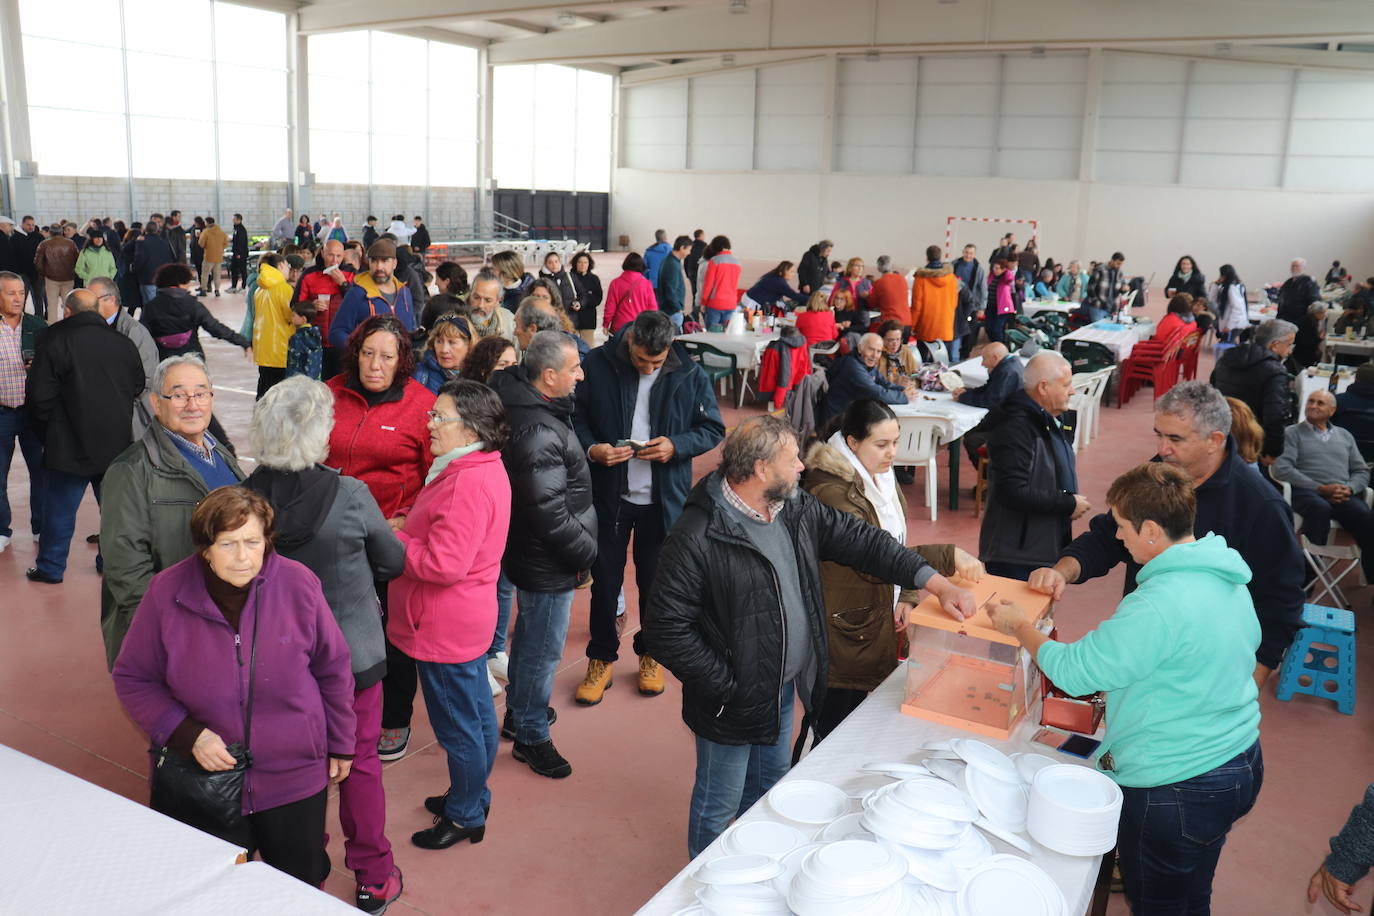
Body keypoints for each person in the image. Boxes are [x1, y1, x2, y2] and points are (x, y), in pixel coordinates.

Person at [642, 415, 977, 857]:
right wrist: (730, 685)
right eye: (792, 459)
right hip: (730, 703)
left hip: (781, 692)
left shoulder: (793, 507)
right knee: (717, 806)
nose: (802, 466)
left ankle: (755, 863)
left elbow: (862, 541)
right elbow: (665, 630)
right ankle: (710, 883)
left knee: (770, 790)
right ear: (761, 469)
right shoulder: (697, 537)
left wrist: (935, 581)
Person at [989, 462, 1262, 916]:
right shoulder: (1226, 576)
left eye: (1121, 527)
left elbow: (1075, 671)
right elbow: (1225, 652)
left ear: (1151, 530)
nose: (1117, 538)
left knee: (1158, 903)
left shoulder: (1157, 603)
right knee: (1193, 890)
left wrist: (1021, 626)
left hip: (1176, 784)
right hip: (1240, 759)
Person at [112, 487, 356, 887]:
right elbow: (133, 677)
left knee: (296, 887)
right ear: (206, 548)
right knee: (208, 890)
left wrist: (342, 740)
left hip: (293, 775)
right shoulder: (167, 593)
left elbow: (333, 667)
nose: (243, 557)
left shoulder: (299, 585)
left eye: (253, 542)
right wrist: (187, 736)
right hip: (201, 780)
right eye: (228, 544)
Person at [241, 378, 404, 909]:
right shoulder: (352, 496)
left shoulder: (242, 501)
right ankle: (374, 874)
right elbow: (392, 562)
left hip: (275, 664)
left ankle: (303, 866)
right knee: (359, 766)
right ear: (321, 433)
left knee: (292, 770)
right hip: (353, 658)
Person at [1028, 381, 1304, 687]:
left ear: (1214, 440)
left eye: (1175, 438)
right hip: (1142, 648)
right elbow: (1108, 536)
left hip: (1206, 672)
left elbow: (1282, 600)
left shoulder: (1260, 506)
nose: (1162, 449)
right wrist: (1062, 571)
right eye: (1158, 435)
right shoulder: (1161, 471)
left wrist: (1250, 684)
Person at [803, 400, 985, 739]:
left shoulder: (877, 477)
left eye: (896, 442)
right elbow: (872, 555)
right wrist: (946, 557)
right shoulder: (832, 491)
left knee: (852, 724)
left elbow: (896, 541)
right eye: (882, 444)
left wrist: (909, 592)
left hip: (866, 618)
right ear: (853, 443)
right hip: (840, 629)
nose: (892, 453)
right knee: (827, 729)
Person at [572, 311, 725, 706]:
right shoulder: (598, 365)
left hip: (663, 501)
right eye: (642, 360)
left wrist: (677, 445)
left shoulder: (688, 373)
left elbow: (711, 429)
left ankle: (651, 653)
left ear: (669, 348)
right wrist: (594, 449)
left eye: (656, 363)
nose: (649, 368)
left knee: (656, 585)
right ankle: (601, 657)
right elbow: (577, 415)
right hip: (610, 497)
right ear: (630, 342)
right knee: (605, 583)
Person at [390, 380, 511, 851]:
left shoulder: (465, 480)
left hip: (441, 625)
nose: (430, 423)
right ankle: (473, 795)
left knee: (458, 728)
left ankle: (464, 814)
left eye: (440, 417)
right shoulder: (480, 466)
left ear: (471, 428)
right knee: (477, 714)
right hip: (467, 618)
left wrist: (393, 539)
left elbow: (443, 564)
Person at [324, 315, 434, 763]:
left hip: (389, 537)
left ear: (401, 360)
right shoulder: (329, 393)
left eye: (386, 356)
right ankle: (335, 710)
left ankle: (394, 716)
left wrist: (408, 516)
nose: (374, 365)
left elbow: (437, 475)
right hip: (330, 535)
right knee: (329, 627)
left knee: (391, 632)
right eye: (368, 353)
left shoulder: (422, 404)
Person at [488, 331, 596, 779]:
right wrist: (586, 552)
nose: (581, 375)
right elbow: (547, 510)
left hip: (532, 553)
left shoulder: (526, 404)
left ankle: (520, 712)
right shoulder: (538, 427)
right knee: (540, 649)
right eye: (574, 369)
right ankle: (530, 733)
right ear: (548, 376)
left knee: (533, 640)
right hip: (547, 557)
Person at [100, 356, 245, 667]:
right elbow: (125, 568)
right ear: (156, 403)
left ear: (212, 398)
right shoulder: (131, 470)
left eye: (201, 393)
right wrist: (169, 629)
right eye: (178, 395)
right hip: (173, 632)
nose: (192, 404)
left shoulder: (219, 453)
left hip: (222, 622)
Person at [23, 288, 145, 584]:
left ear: (67, 310)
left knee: (59, 513)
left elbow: (39, 397)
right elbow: (138, 385)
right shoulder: (123, 343)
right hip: (116, 445)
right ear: (98, 311)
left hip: (68, 444)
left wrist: (48, 433)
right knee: (115, 511)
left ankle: (51, 568)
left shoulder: (54, 340)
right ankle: (110, 563)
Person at [979, 351, 1090, 580]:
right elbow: (1012, 492)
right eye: (1066, 384)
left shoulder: (1051, 419)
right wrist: (1067, 504)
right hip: (1016, 556)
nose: (1072, 391)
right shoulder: (1016, 427)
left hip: (1040, 546)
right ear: (1043, 387)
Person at [1274, 389, 1374, 580]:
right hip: (1307, 491)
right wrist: (1319, 488)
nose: (1313, 406)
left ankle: (1370, 578)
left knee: (1365, 516)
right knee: (1319, 508)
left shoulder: (1345, 436)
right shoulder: (1293, 433)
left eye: (1320, 403)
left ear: (1332, 410)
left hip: (1341, 493)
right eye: (1311, 401)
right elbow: (1283, 469)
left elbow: (1361, 470)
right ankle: (1307, 577)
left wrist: (1350, 488)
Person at [0, 271, 46, 553]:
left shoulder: (38, 326)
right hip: (1, 413)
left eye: (21, 293)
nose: (18, 299)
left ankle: (41, 527)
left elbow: (58, 369)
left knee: (41, 472)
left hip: (33, 414)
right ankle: (1, 530)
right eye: (10, 293)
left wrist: (39, 367)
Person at [1210, 318, 1296, 462]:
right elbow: (1275, 415)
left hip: (1220, 433)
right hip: (1251, 442)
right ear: (1275, 345)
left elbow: (1211, 393)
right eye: (1289, 345)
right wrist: (1272, 451)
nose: (1290, 351)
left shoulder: (1226, 358)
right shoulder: (1275, 371)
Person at [88, 277, 158, 438]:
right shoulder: (95, 328)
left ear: (110, 299)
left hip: (130, 418)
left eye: (92, 299)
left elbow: (148, 379)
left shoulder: (135, 332)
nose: (88, 305)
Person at [141, 263, 252, 361]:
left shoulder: (150, 307)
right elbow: (215, 328)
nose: (189, 286)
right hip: (192, 357)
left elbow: (142, 336)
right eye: (187, 282)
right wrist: (243, 342)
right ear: (180, 283)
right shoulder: (192, 304)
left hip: (163, 360)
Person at [329, 240, 416, 349]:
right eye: (374, 261)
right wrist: (362, 351)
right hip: (369, 365)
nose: (379, 267)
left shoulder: (405, 292)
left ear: (394, 263)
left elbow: (411, 328)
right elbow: (336, 333)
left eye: (384, 261)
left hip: (401, 364)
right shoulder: (357, 294)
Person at [295, 239, 355, 379]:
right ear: (322, 253)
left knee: (342, 384)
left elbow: (357, 305)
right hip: (314, 342)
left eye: (339, 256)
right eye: (330, 255)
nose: (334, 260)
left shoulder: (351, 274)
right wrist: (311, 306)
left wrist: (344, 284)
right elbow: (296, 306)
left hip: (343, 341)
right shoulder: (309, 275)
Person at [823, 332, 915, 421]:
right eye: (871, 349)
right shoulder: (852, 366)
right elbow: (876, 393)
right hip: (836, 420)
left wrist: (902, 389)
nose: (875, 355)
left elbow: (884, 383)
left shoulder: (866, 363)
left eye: (878, 351)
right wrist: (903, 397)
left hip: (851, 413)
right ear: (860, 348)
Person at [252, 253, 303, 399]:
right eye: (287, 266)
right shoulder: (284, 289)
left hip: (263, 349)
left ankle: (260, 419)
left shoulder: (259, 289)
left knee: (264, 390)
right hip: (280, 349)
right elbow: (291, 317)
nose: (289, 269)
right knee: (280, 395)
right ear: (281, 265)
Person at [912, 245, 960, 362]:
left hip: (926, 327)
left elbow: (917, 306)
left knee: (923, 363)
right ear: (941, 257)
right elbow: (954, 303)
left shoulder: (921, 278)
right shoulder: (951, 277)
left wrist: (912, 326)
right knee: (943, 364)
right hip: (945, 326)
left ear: (927, 258)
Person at [414, 315, 476, 394]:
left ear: (469, 345)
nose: (444, 350)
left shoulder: (480, 378)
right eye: (439, 341)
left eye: (452, 342)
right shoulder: (418, 374)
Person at [603, 252, 657, 334]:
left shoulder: (615, 283)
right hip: (640, 327)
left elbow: (610, 307)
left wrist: (606, 324)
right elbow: (652, 308)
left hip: (620, 328)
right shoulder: (646, 284)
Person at [700, 236, 742, 330]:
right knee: (725, 334)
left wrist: (703, 302)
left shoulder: (714, 261)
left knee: (711, 334)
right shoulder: (737, 262)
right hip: (731, 303)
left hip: (715, 303)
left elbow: (708, 285)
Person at [35, 223, 78, 310]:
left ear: (50, 232)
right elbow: (77, 260)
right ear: (62, 232)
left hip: (51, 278)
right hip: (68, 277)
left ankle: (52, 323)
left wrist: (45, 273)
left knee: (52, 305)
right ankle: (69, 323)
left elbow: (38, 262)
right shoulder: (70, 243)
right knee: (68, 306)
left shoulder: (44, 244)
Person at [467, 269, 516, 343]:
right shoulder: (457, 321)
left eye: (488, 300)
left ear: (498, 301)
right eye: (476, 298)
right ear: (470, 294)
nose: (481, 305)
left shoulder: (509, 322)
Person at [656, 236, 693, 330]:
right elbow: (670, 290)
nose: (689, 253)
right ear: (681, 248)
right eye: (689, 250)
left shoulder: (671, 260)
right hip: (672, 312)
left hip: (669, 310)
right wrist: (678, 308)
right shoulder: (672, 264)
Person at [1209, 264, 1250, 342]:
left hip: (1235, 324)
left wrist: (1229, 326)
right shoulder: (1225, 287)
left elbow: (1238, 309)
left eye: (1222, 275)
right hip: (1231, 323)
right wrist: (1216, 284)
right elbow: (1212, 300)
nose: (1220, 277)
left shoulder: (1232, 288)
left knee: (1224, 347)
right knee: (1228, 346)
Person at [868, 255, 909, 331]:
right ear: (892, 266)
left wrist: (866, 296)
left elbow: (872, 303)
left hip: (891, 324)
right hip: (906, 322)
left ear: (878, 268)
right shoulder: (902, 279)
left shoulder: (879, 282)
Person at [1277, 257, 1322, 326]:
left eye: (1297, 266)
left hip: (1300, 320)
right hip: (1285, 318)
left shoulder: (1309, 281)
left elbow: (1314, 301)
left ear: (1303, 268)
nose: (1294, 268)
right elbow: (1280, 297)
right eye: (1292, 266)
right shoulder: (1288, 282)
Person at [569, 251, 602, 344]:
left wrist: (584, 303)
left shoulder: (594, 279)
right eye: (580, 262)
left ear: (589, 264)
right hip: (571, 319)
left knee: (588, 348)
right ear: (575, 263)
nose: (582, 265)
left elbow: (598, 298)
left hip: (588, 319)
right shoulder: (569, 278)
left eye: (585, 262)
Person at [875, 319, 919, 384]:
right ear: (882, 339)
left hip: (907, 390)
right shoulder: (876, 354)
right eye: (891, 340)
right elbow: (873, 382)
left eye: (898, 339)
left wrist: (911, 380)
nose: (895, 344)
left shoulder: (905, 351)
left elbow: (915, 374)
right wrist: (894, 382)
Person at [985, 258, 1018, 343]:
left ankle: (1000, 345)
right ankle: (993, 343)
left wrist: (1007, 272)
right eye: (994, 268)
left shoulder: (1006, 278)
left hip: (1003, 308)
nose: (994, 270)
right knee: (988, 328)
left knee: (997, 329)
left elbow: (1010, 279)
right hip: (990, 306)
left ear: (1003, 269)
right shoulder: (991, 276)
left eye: (997, 268)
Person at [538, 252, 576, 323]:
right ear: (545, 264)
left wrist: (579, 303)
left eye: (556, 261)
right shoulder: (541, 281)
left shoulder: (569, 276)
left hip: (570, 320)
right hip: (551, 320)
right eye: (550, 262)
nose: (554, 265)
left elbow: (582, 294)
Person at [228, 214, 250, 293]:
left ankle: (244, 287)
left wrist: (239, 254)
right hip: (235, 253)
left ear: (239, 220)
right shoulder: (235, 229)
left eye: (234, 219)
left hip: (241, 254)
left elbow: (241, 243)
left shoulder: (241, 230)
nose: (233, 220)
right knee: (233, 269)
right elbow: (236, 240)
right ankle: (234, 286)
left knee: (242, 270)